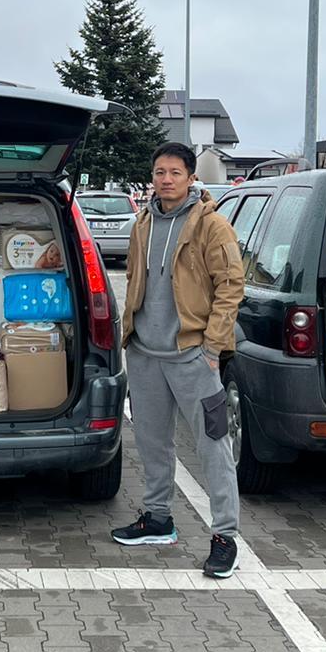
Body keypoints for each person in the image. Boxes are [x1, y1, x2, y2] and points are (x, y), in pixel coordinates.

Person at [111, 142, 246, 578]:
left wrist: (212, 347)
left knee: (213, 447)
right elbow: (134, 278)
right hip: (146, 354)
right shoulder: (143, 221)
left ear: (191, 177)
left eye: (174, 172)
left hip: (192, 355)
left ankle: (225, 536)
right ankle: (158, 520)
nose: (165, 179)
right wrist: (128, 336)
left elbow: (231, 287)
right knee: (152, 442)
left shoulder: (212, 226)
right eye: (159, 172)